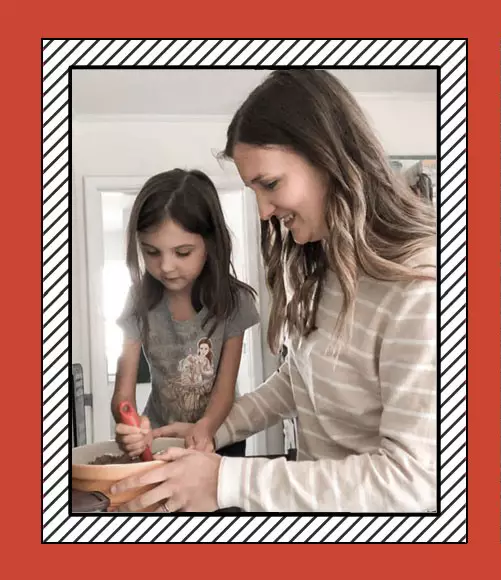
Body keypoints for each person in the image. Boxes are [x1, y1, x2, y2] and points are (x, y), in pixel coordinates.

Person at [112, 70, 438, 513]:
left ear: (328, 158)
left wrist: (225, 480)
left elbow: (412, 482)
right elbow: (297, 383)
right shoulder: (325, 266)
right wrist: (208, 433)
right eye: (255, 191)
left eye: (270, 184)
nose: (264, 211)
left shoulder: (421, 284)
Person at [112, 169, 260, 458]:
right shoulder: (137, 301)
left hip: (218, 437)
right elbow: (123, 395)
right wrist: (127, 425)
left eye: (182, 252)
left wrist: (204, 427)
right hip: (159, 436)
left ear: (210, 245)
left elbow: (225, 389)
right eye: (151, 252)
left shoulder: (234, 302)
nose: (165, 266)